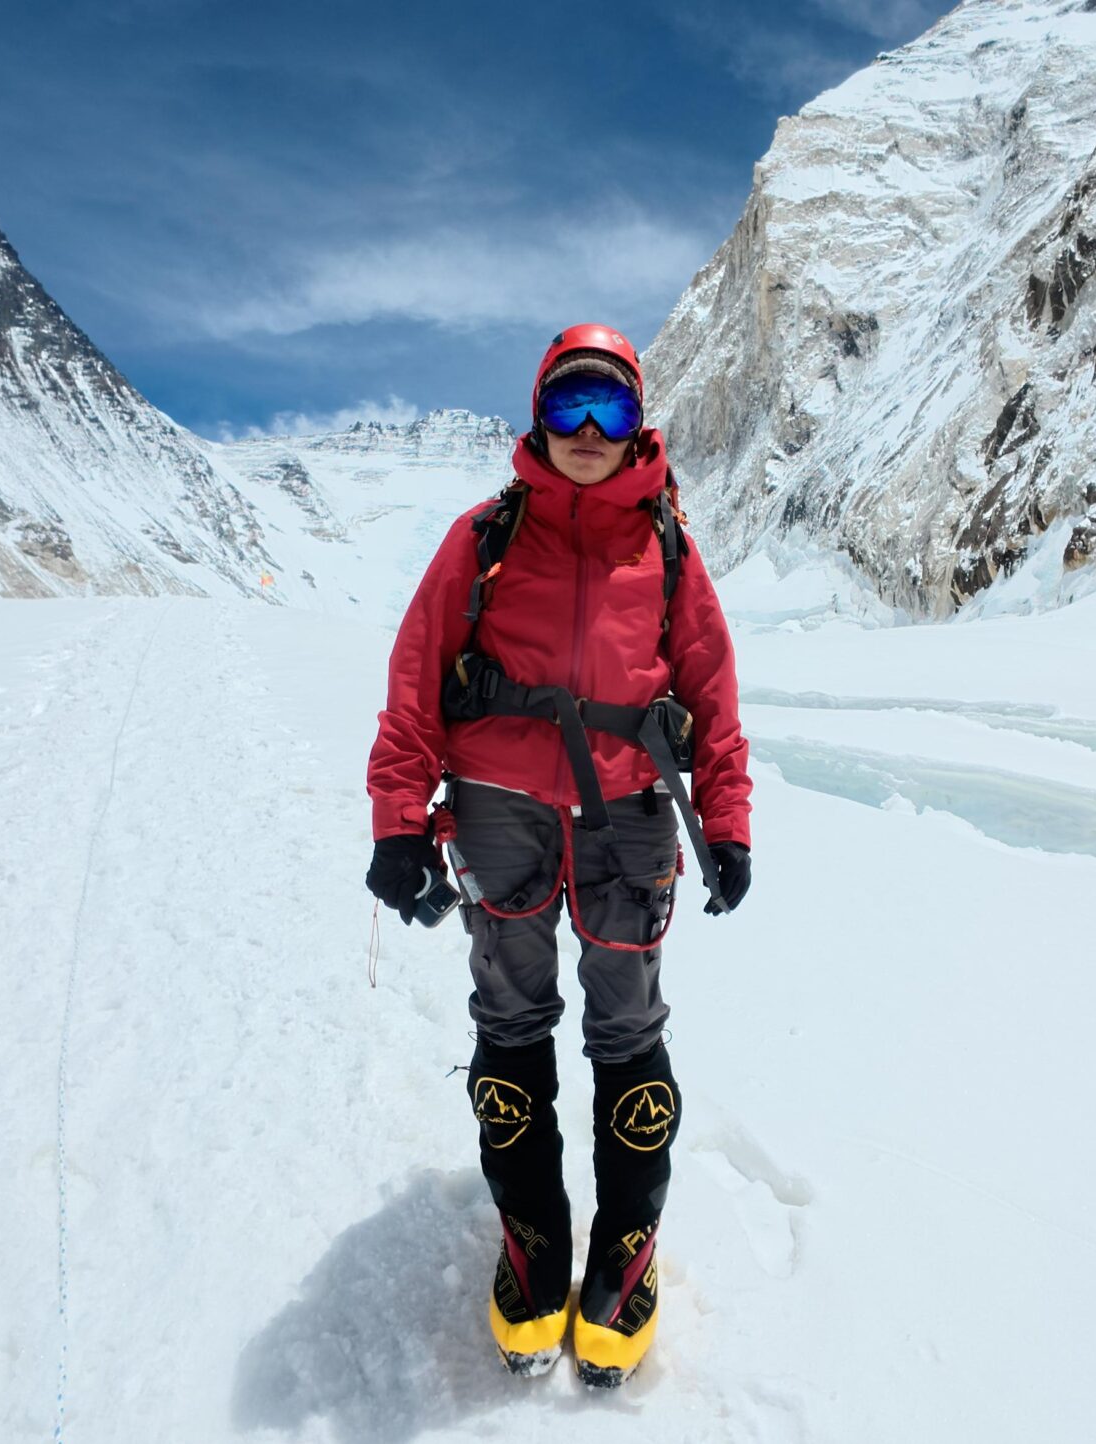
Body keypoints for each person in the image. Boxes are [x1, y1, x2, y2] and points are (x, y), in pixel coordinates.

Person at [363, 323, 754, 1388]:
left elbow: (713, 695)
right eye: (569, 405)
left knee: (629, 1027)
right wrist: (398, 819)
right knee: (510, 1018)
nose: (588, 428)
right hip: (497, 811)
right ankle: (532, 1240)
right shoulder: (484, 536)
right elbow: (417, 677)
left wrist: (727, 823)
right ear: (538, 417)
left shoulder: (668, 548)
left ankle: (625, 1250)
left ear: (638, 426)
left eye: (610, 407)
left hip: (629, 815)